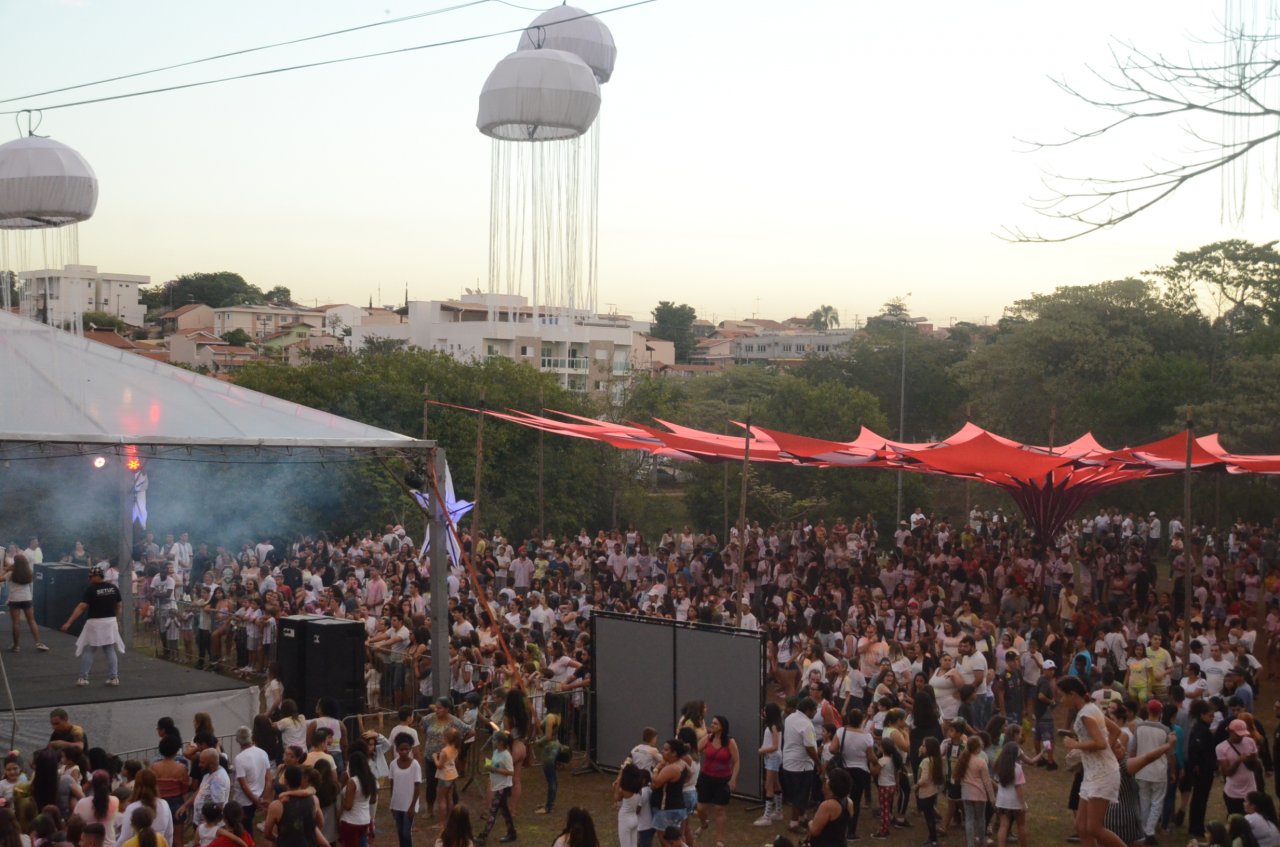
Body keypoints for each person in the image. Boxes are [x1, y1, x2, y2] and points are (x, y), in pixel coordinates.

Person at [1057, 675, 1125, 847]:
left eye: (1062, 695)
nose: (1061, 699)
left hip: (1102, 775)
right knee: (1081, 826)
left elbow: (1100, 743)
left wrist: (1076, 744)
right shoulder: (1091, 708)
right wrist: (1105, 753)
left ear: (1072, 694)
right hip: (1092, 774)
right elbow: (1116, 731)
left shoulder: (1086, 714)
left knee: (1094, 828)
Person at [60, 563, 124, 686]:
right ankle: (114, 677)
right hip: (110, 622)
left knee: (90, 649)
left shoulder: (91, 590)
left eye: (91, 576)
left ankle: (83, 677)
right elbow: (119, 606)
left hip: (95, 622)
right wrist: (117, 620)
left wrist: (69, 622)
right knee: (109, 649)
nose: (89, 579)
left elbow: (81, 607)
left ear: (97, 577)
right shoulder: (113, 588)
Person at [693, 715, 739, 847]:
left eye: (715, 724)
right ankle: (704, 824)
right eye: (712, 723)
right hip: (706, 778)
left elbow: (736, 762)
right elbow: (695, 751)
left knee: (720, 809)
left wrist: (733, 779)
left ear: (722, 727)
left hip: (723, 780)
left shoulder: (730, 742)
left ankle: (720, 840)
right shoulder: (707, 739)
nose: (712, 725)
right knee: (701, 808)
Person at [780, 698, 820, 834]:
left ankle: (802, 817)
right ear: (808, 710)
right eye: (814, 710)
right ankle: (794, 823)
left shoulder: (790, 718)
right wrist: (818, 763)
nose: (816, 712)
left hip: (788, 762)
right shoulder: (806, 725)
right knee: (801, 795)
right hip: (801, 765)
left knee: (798, 794)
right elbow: (809, 747)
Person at [262, 765, 325, 847]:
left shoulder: (276, 805)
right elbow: (321, 823)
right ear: (301, 780)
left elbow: (267, 833)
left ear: (285, 781)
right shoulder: (314, 799)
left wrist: (276, 839)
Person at [476, 732, 516, 846]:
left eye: (495, 740)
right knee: (505, 811)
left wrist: (494, 769)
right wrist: (489, 766)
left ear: (501, 742)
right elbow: (494, 766)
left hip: (503, 787)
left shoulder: (506, 755)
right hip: (496, 785)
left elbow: (511, 772)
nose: (492, 742)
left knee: (493, 811)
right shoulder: (495, 752)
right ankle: (512, 833)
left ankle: (483, 836)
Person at [3, 553, 47, 652]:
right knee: (31, 621)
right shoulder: (29, 573)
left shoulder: (11, 574)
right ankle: (38, 642)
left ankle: (16, 645)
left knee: (16, 623)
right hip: (27, 598)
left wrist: (6, 569)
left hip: (14, 599)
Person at [1218, 718, 1260, 816]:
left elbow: (1256, 765)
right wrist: (1238, 761)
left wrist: (1253, 759)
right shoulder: (1221, 748)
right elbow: (1227, 772)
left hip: (1250, 790)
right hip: (1233, 793)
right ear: (1230, 732)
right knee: (1236, 819)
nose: (1241, 737)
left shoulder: (1250, 742)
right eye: (1238, 735)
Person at [232, 726, 271, 826]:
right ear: (251, 737)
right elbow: (268, 778)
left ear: (237, 740)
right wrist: (263, 798)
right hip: (259, 795)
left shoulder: (239, 759)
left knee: (243, 829)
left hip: (244, 801)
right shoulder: (263, 753)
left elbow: (244, 785)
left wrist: (257, 802)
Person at [387, 736, 422, 847]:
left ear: (410, 749)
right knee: (400, 832)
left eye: (407, 749)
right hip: (397, 804)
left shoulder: (415, 765)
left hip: (409, 805)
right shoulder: (393, 764)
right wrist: (392, 804)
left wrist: (412, 806)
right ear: (397, 750)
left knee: (406, 833)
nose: (404, 752)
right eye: (401, 749)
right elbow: (392, 785)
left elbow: (417, 787)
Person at [338, 750, 376, 847]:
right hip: (364, 820)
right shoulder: (371, 779)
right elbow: (372, 800)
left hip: (351, 821)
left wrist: (340, 796)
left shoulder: (353, 781)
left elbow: (348, 806)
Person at [71, 770, 119, 847]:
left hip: (89, 844)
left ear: (92, 784)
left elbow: (74, 824)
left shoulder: (82, 803)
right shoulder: (115, 801)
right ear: (108, 784)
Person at [807, 767, 853, 847]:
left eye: (828, 779)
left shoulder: (828, 805)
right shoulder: (849, 802)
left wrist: (810, 823)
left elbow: (815, 831)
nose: (826, 781)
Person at [754, 703, 783, 827]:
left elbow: (775, 746)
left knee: (768, 785)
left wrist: (762, 750)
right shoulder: (772, 726)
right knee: (775, 784)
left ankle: (767, 816)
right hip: (771, 757)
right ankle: (778, 811)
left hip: (773, 758)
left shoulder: (773, 727)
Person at [993, 742, 1026, 847]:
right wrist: (1022, 804)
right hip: (1015, 802)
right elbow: (1018, 787)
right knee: (1021, 825)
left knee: (1003, 826)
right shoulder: (1017, 768)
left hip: (1002, 801)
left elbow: (996, 781)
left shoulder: (998, 766)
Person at [916, 736, 943, 847]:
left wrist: (917, 785)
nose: (921, 747)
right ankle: (932, 838)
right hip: (932, 791)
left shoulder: (926, 761)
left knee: (929, 817)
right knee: (930, 815)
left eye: (923, 745)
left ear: (929, 748)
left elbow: (924, 778)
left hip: (926, 792)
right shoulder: (934, 759)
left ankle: (933, 840)